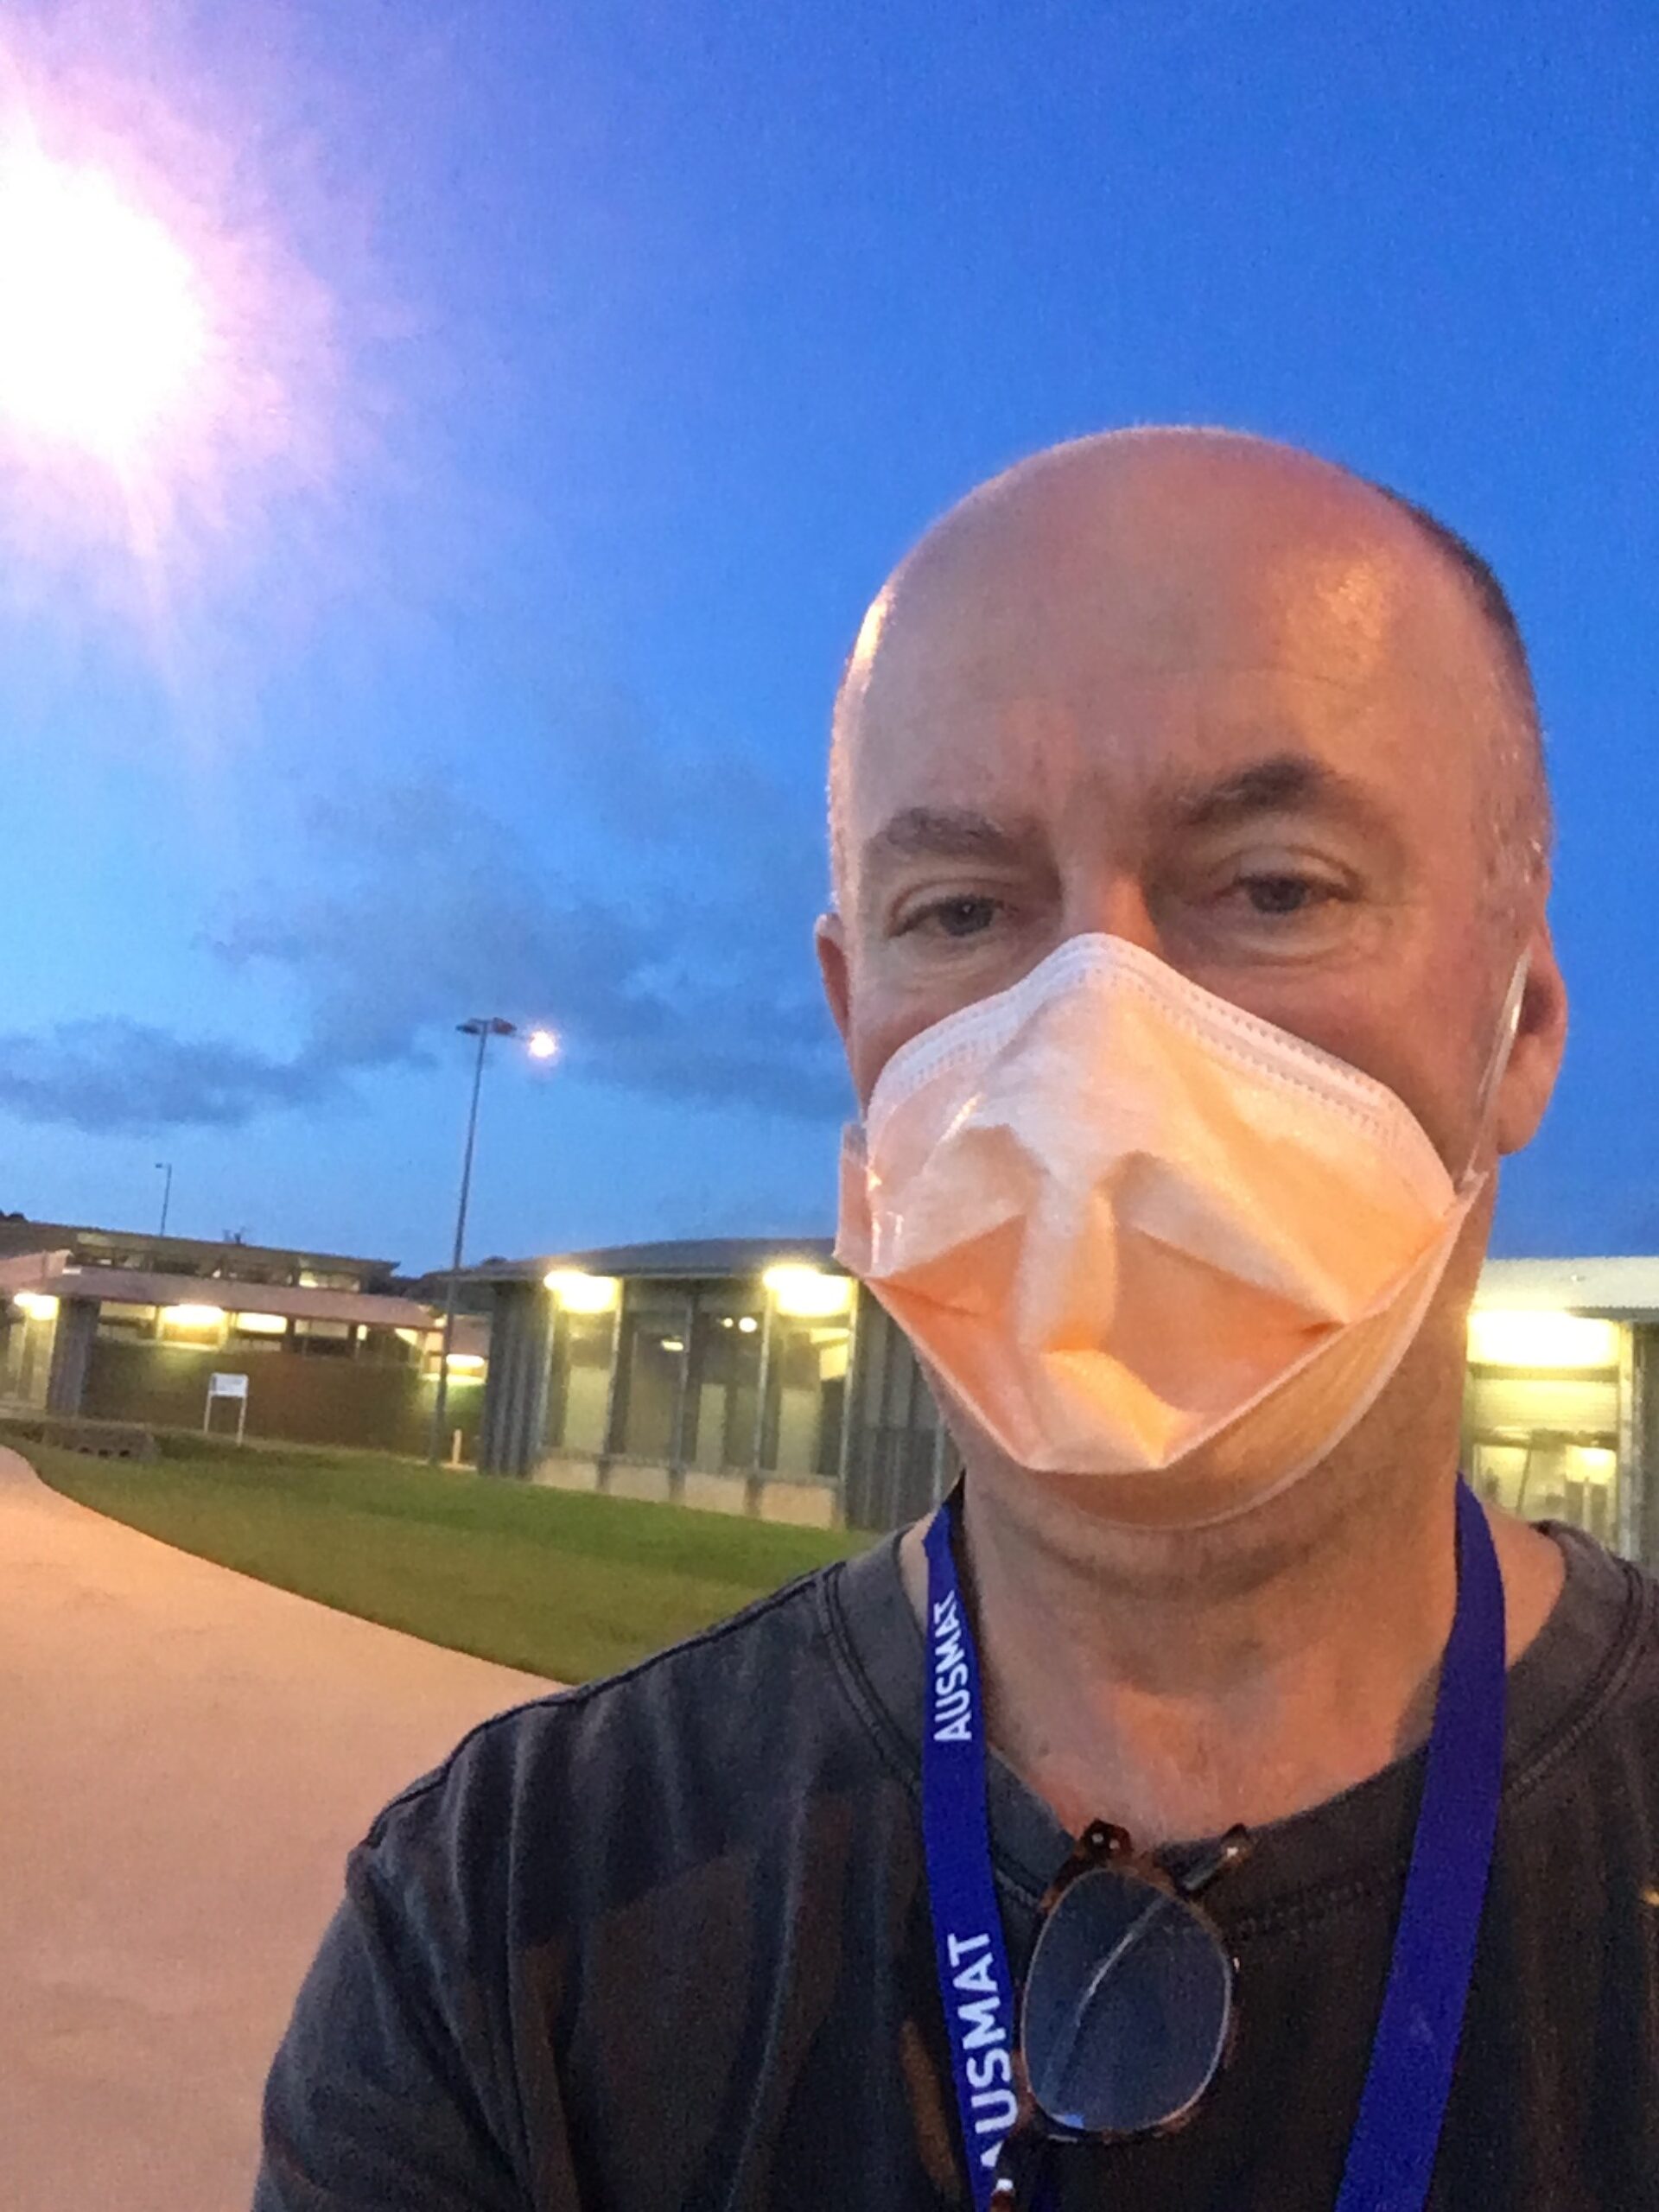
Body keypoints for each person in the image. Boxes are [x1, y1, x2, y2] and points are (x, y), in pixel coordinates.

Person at [253, 431, 1659, 2211]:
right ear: (856, 1017)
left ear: (1522, 1021)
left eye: (1276, 886)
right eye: (967, 910)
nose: (1101, 1045)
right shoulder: (503, 1919)